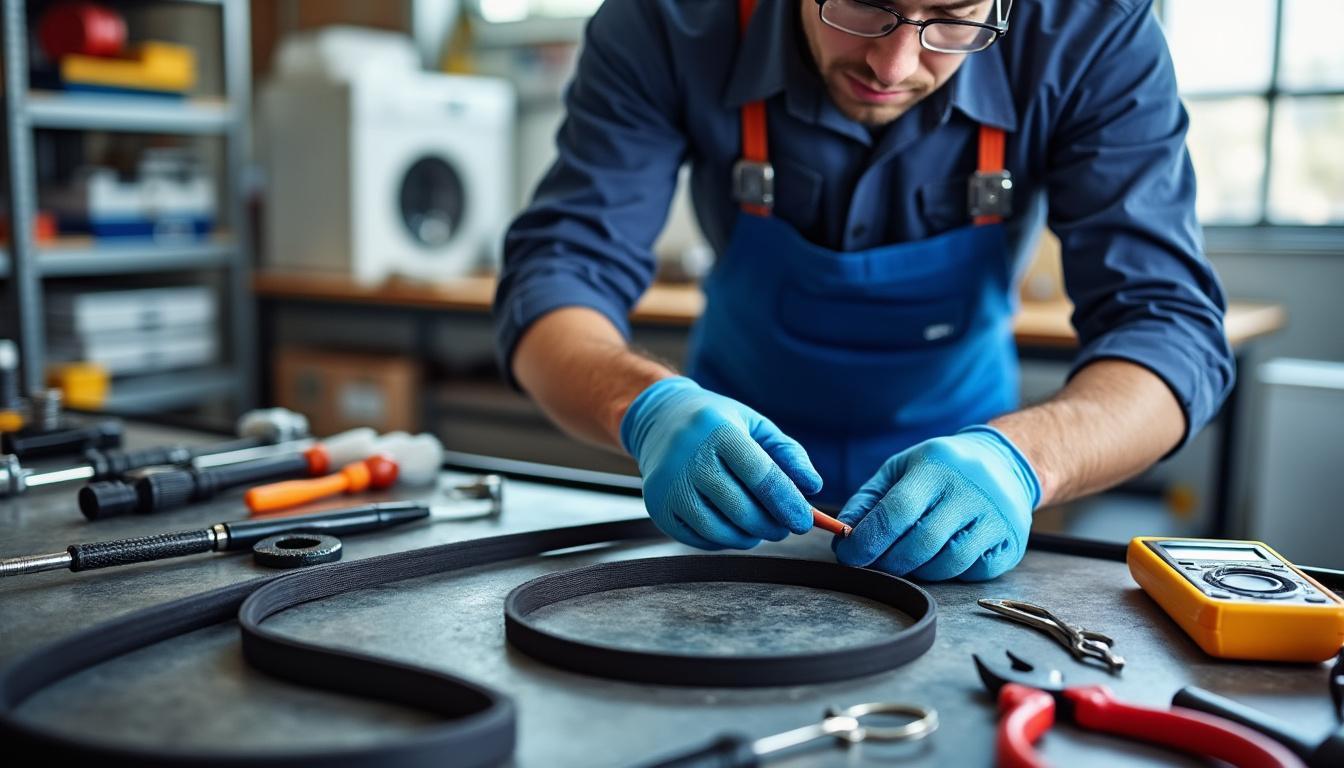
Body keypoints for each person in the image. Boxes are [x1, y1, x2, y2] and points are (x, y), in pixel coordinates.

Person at [492, 0, 1232, 581]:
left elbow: (1171, 330)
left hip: (965, 498)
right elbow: (558, 272)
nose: (893, 61)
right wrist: (647, 409)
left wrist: (1024, 461)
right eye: (863, 6)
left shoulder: (1090, 31)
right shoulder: (669, 19)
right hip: (717, 485)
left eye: (951, 18)